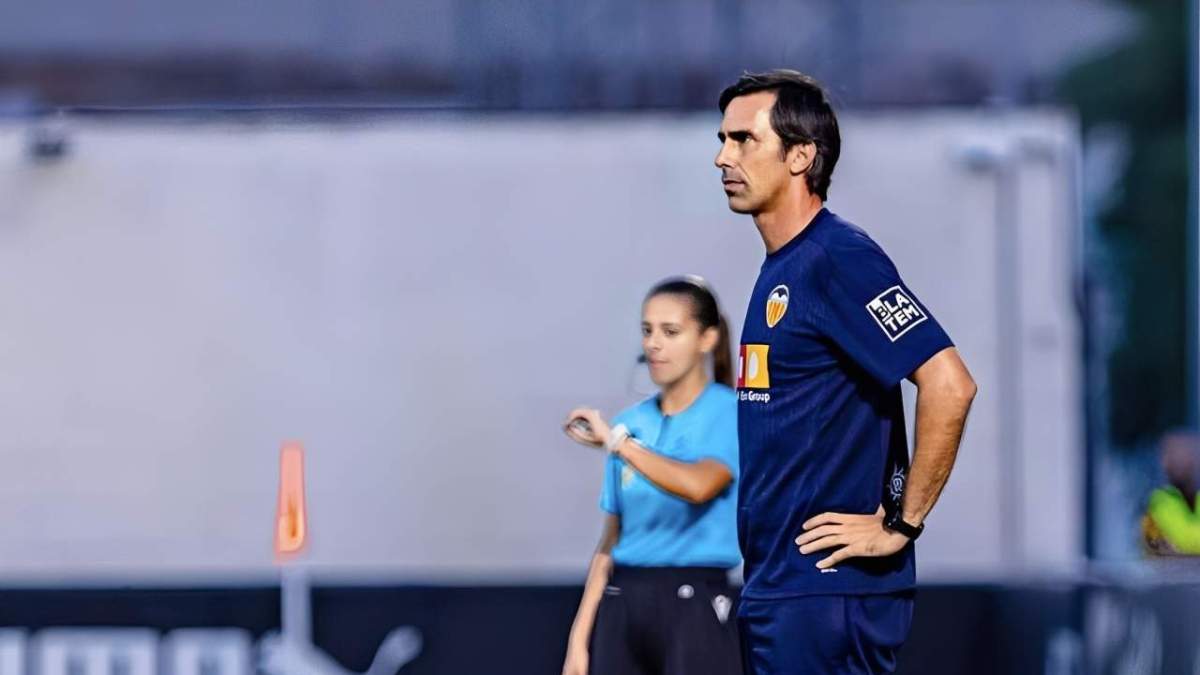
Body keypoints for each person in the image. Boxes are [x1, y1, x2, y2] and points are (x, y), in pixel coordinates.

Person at [713, 69, 978, 673]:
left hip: (826, 594)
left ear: (801, 155)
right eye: (722, 139)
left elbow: (949, 382)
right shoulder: (785, 267)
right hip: (783, 591)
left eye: (743, 139)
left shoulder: (839, 258)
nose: (722, 157)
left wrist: (899, 526)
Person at [561, 276, 743, 675]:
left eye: (671, 331)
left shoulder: (727, 411)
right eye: (647, 330)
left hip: (693, 600)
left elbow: (699, 485)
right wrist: (579, 639)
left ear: (707, 339)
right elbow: (611, 538)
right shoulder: (632, 423)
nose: (654, 343)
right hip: (623, 602)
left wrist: (618, 444)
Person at [1143, 430, 1200, 555]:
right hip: (1162, 574)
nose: (1182, 460)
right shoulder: (1161, 500)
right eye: (1174, 454)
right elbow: (1187, 541)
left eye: (1187, 453)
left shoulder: (1196, 497)